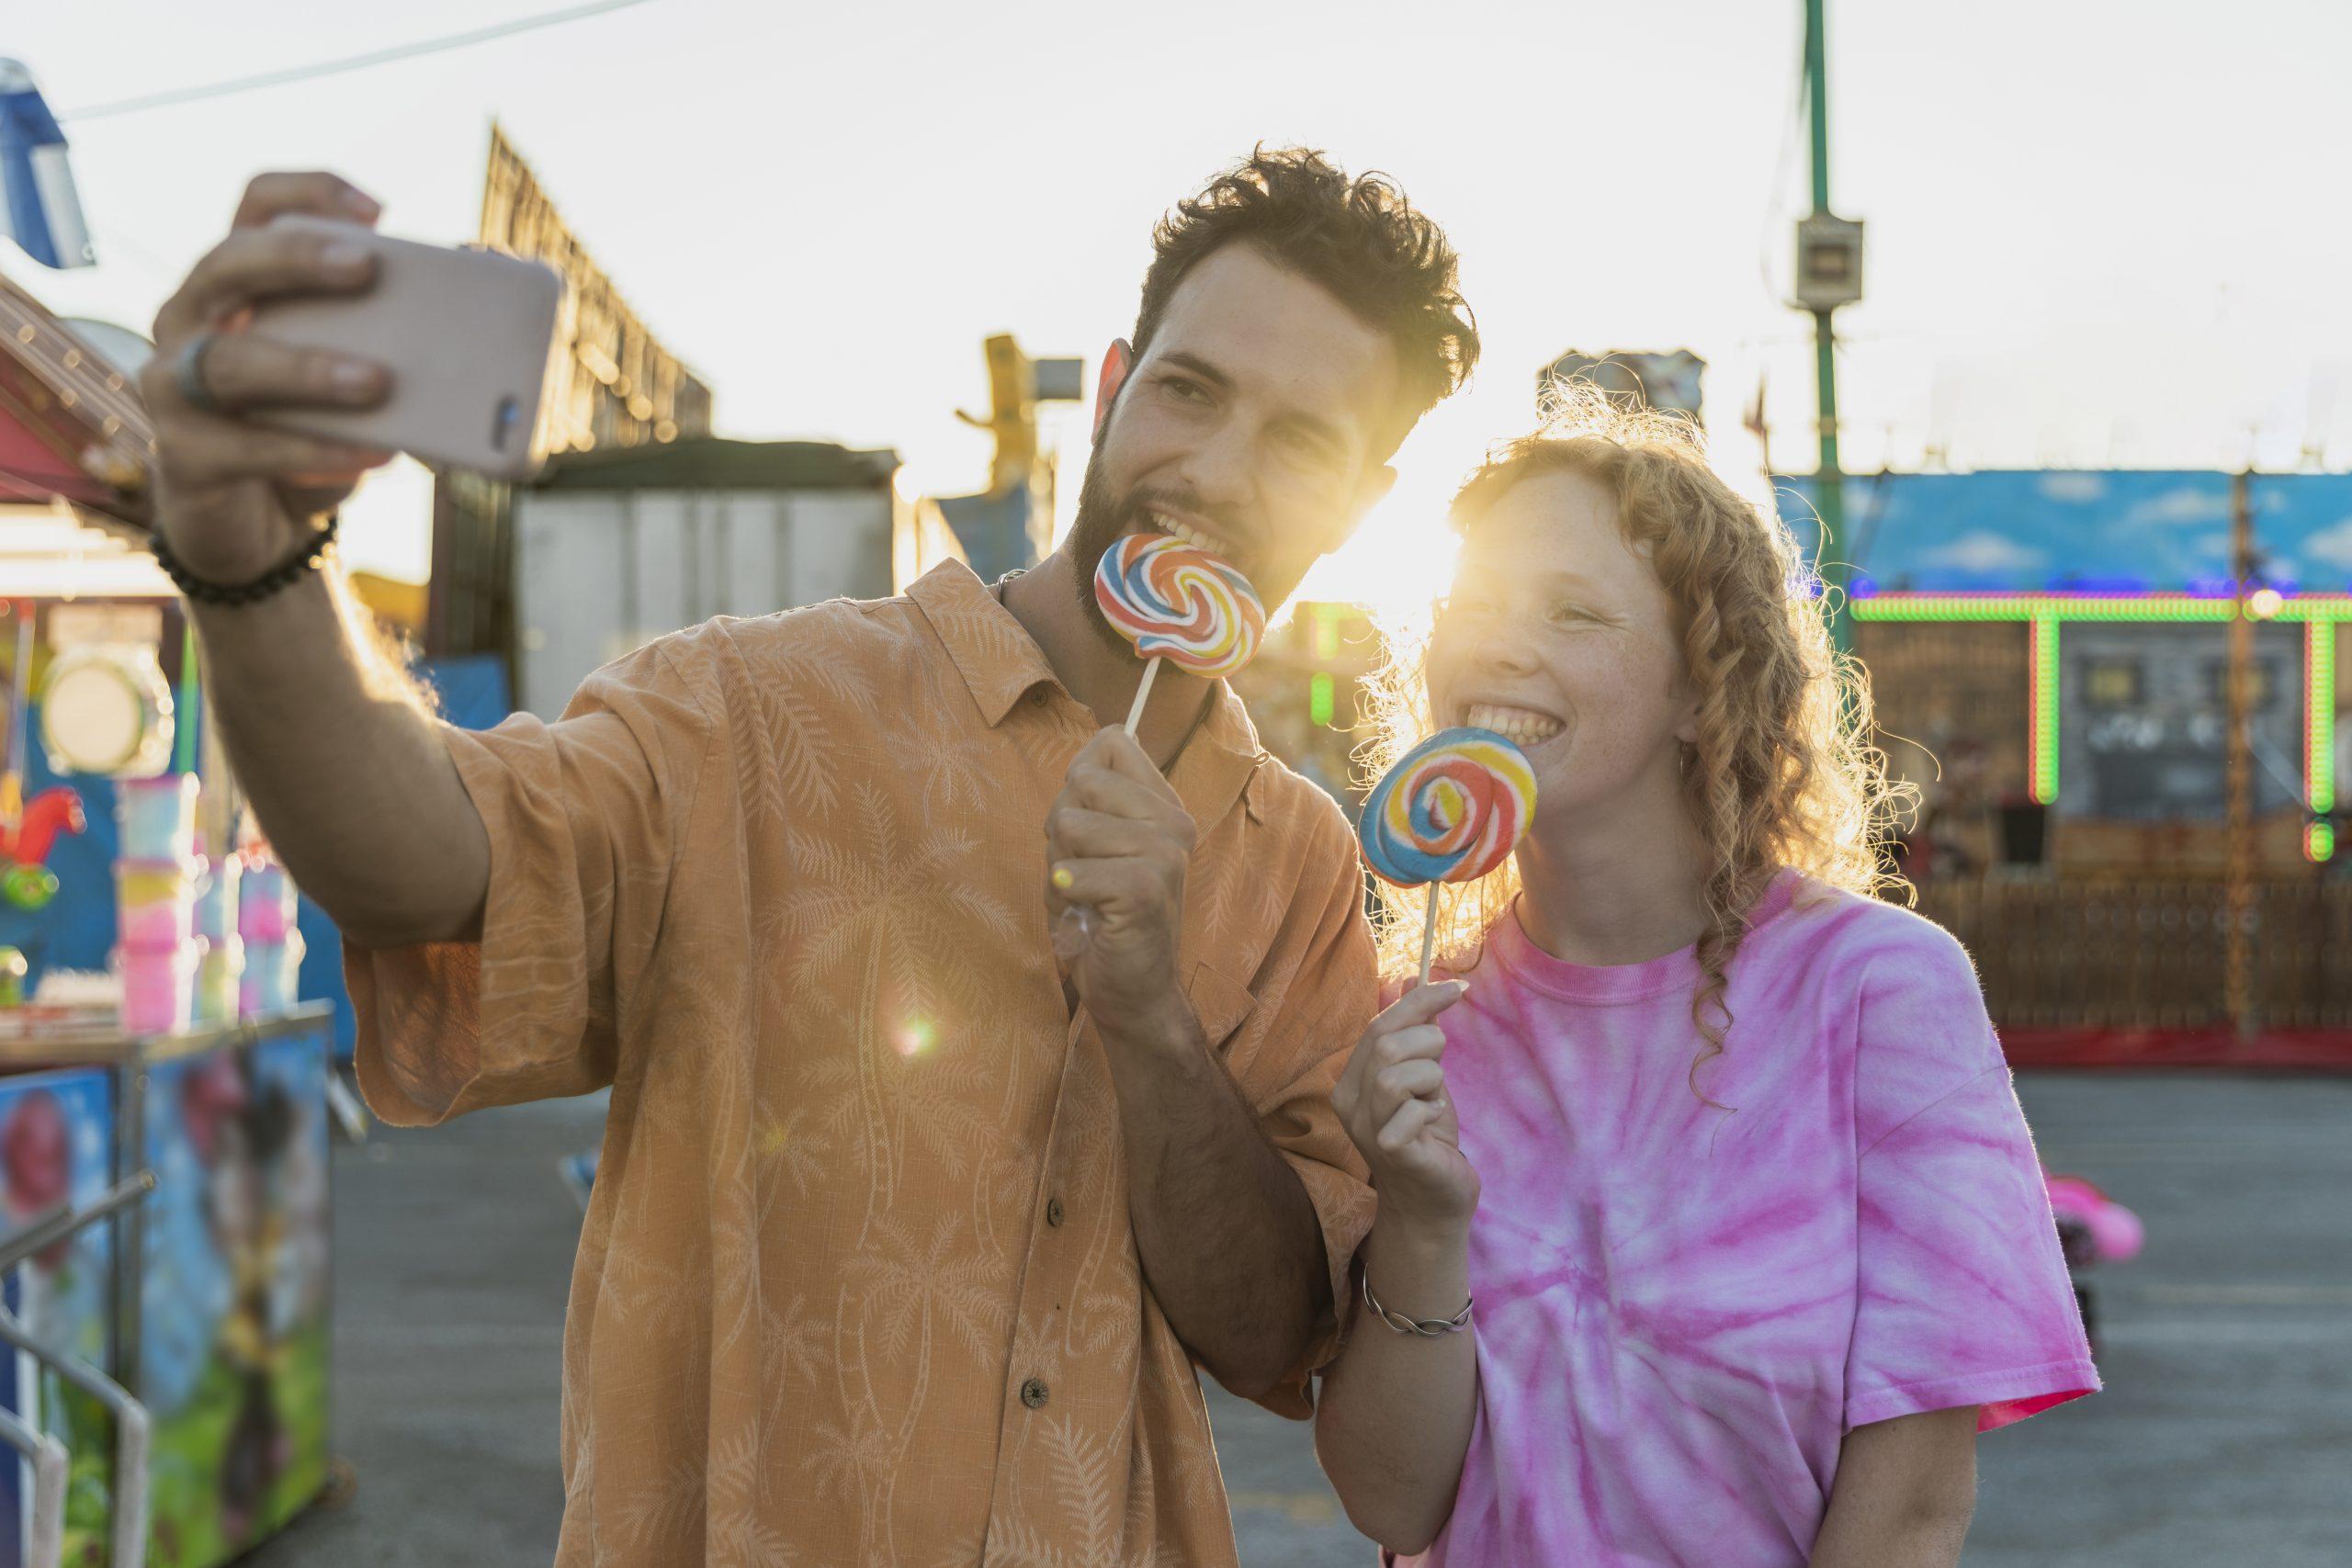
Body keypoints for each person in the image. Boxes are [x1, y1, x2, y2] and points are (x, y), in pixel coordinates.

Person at [138, 149, 1477, 1564]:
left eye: (1299, 440)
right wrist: (252, 560)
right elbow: (425, 860)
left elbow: (1274, 1326)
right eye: (1190, 390)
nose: (1213, 470)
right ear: (1115, 378)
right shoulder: (748, 710)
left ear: (1366, 500)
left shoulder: (1301, 863)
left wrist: (1150, 1015)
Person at [1314, 398, 2098, 1567]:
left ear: (1700, 691)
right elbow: (1393, 1504)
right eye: (1470, 606)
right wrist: (1420, 1220)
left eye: (1572, 612)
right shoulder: (1415, 1023)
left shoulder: (1879, 992)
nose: (1496, 647)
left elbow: (1915, 1505)